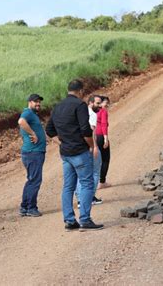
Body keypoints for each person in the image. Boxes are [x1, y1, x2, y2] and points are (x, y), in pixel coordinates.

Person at [46, 80, 104, 232]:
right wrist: (92, 146)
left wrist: (62, 143)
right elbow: (85, 130)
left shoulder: (57, 106)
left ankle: (70, 221)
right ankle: (85, 219)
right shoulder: (80, 105)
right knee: (87, 183)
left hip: (65, 153)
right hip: (79, 152)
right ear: (80, 91)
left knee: (68, 187)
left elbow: (50, 130)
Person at [18, 93, 47, 217]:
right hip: (33, 153)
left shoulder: (33, 114)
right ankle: (31, 208)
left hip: (33, 152)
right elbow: (21, 121)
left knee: (31, 180)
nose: (38, 104)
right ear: (29, 102)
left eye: (39, 102)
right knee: (35, 181)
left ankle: (24, 207)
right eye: (36, 101)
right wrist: (33, 134)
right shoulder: (28, 113)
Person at [76, 95, 103, 206]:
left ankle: (79, 199)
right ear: (90, 103)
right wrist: (95, 147)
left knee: (80, 174)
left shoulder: (79, 113)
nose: (100, 105)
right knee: (95, 171)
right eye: (97, 103)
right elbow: (91, 132)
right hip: (89, 147)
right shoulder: (91, 114)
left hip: (79, 147)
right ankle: (90, 197)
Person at [96, 96, 112, 189]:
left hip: (93, 137)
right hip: (101, 136)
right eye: (105, 102)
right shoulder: (103, 112)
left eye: (108, 103)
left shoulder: (92, 111)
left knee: (96, 160)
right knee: (105, 159)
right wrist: (106, 138)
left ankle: (96, 181)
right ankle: (102, 182)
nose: (107, 105)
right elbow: (104, 125)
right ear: (100, 103)